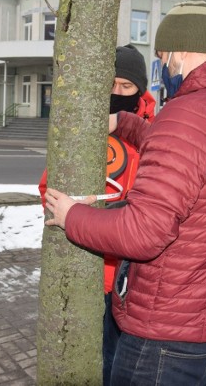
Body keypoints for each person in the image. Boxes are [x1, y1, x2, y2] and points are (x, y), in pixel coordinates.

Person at [44, 0, 206, 384]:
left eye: (164, 56)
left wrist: (73, 216)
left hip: (167, 330)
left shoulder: (190, 112)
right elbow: (199, 162)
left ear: (181, 53)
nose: (164, 67)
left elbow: (144, 233)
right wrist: (126, 122)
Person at [38, 44, 156, 385]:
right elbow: (49, 189)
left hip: (139, 277)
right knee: (103, 364)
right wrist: (73, 209)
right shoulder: (86, 129)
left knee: (133, 368)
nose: (116, 93)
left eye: (126, 87)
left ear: (140, 90)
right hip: (95, 274)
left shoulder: (156, 132)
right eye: (112, 84)